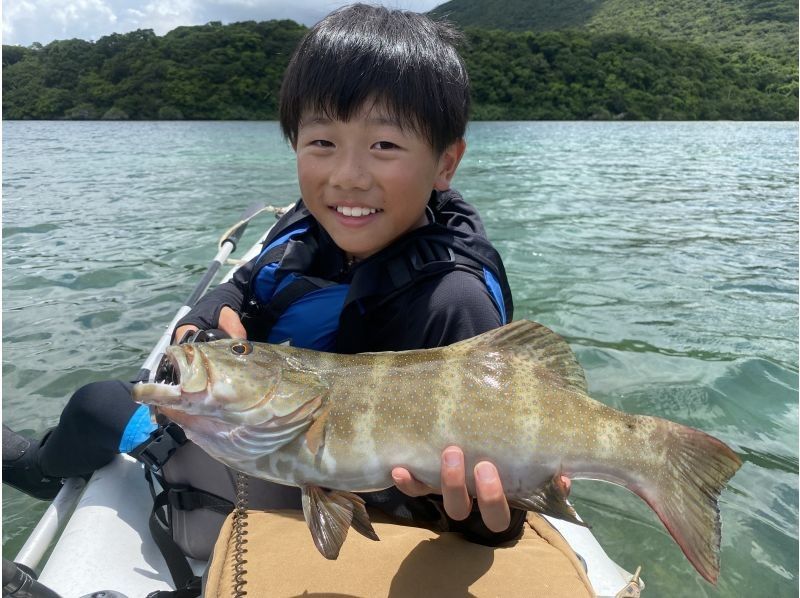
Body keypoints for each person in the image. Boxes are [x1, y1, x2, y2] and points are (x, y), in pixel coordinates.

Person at [3, 3, 568, 551]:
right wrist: (207, 318)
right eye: (322, 142)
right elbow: (248, 284)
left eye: (385, 145)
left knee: (107, 417)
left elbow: (489, 492)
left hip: (349, 501)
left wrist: (486, 522)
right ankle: (48, 467)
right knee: (96, 402)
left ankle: (89, 481)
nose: (348, 177)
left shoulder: (454, 301)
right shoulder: (307, 226)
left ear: (445, 163)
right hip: (270, 435)